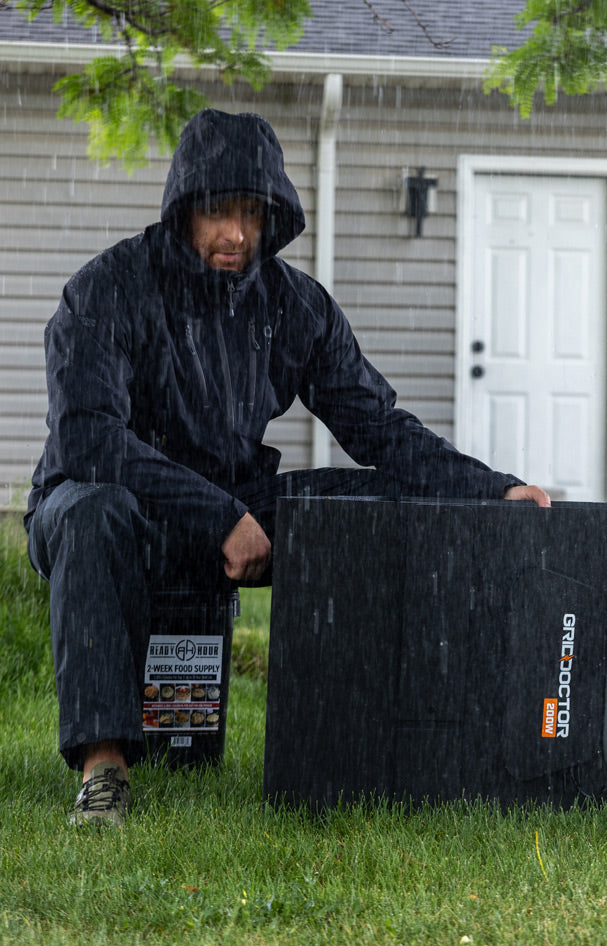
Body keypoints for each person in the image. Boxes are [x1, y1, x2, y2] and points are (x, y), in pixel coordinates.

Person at [24, 108, 551, 827]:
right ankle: (104, 771)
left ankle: (378, 745)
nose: (236, 234)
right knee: (94, 510)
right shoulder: (107, 290)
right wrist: (222, 516)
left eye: (252, 214)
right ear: (184, 209)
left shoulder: (294, 307)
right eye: (218, 212)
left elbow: (378, 428)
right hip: (108, 508)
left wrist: (493, 489)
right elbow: (88, 441)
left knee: (375, 503)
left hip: (234, 506)